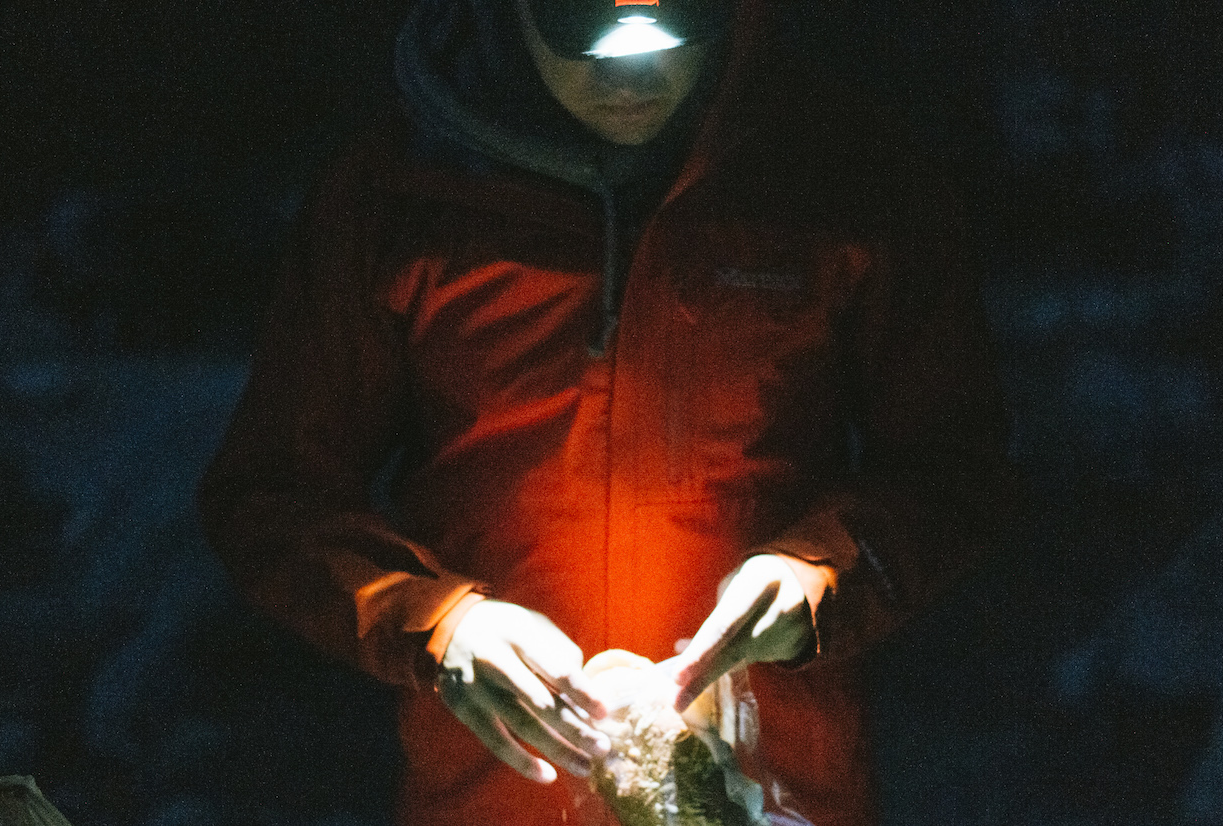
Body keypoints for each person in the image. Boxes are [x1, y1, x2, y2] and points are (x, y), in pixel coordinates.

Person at [198, 1, 1016, 825]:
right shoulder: (396, 198)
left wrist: (820, 577)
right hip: (497, 795)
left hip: (771, 790)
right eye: (582, 42)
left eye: (670, 38)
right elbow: (272, 495)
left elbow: (953, 466)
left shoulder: (843, 182)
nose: (629, 78)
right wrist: (440, 628)